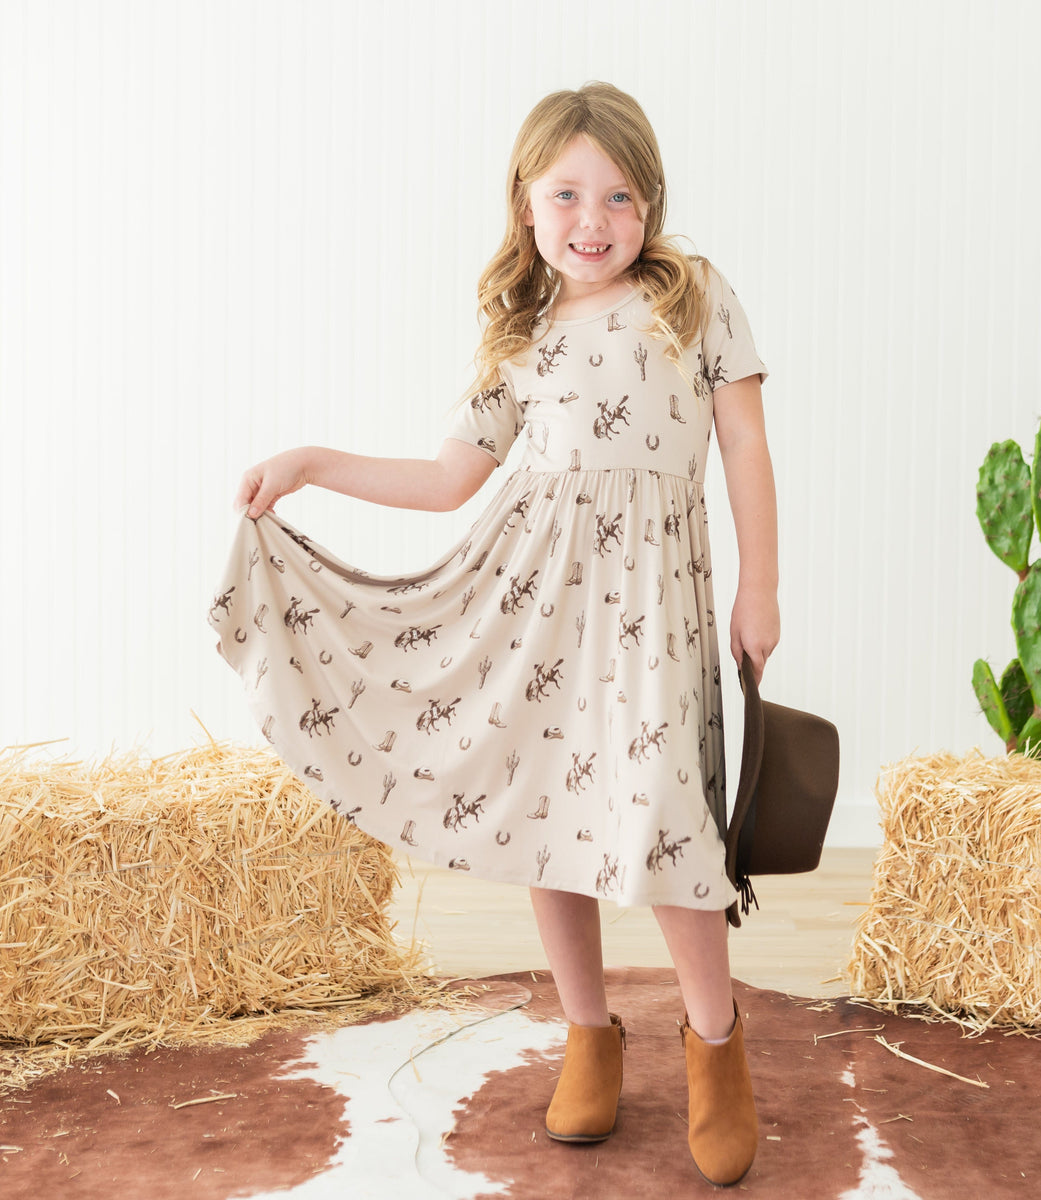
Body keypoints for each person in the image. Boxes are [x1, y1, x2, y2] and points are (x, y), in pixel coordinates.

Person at [208, 80, 778, 1187]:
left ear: (651, 204)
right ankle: (589, 1034)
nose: (592, 220)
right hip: (535, 610)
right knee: (547, 815)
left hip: (654, 617)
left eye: (618, 196)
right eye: (565, 195)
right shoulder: (521, 335)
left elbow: (745, 444)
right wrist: (309, 463)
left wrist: (762, 585)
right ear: (525, 204)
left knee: (667, 822)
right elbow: (446, 480)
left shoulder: (695, 298)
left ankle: (716, 1044)